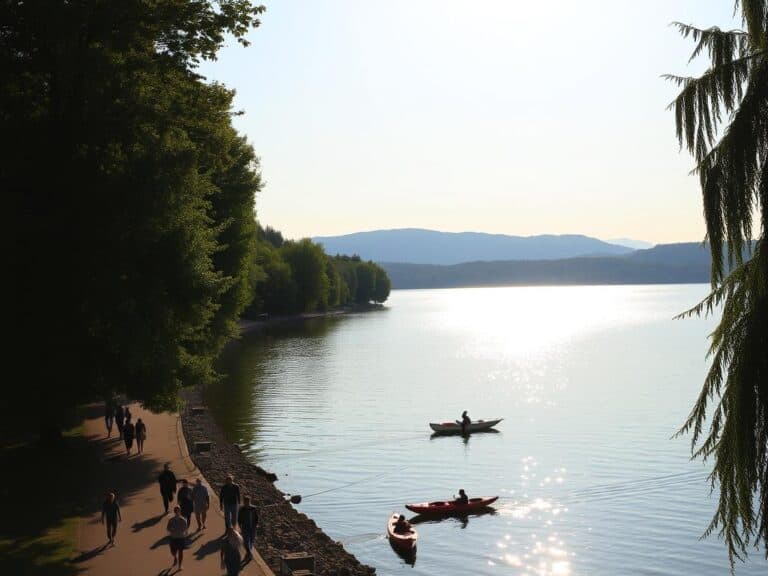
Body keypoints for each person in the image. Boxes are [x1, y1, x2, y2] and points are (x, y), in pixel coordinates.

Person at [166, 505, 188, 570]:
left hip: (181, 537)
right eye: (176, 511)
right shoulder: (171, 520)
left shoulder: (183, 520)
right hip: (173, 537)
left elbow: (185, 529)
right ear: (174, 512)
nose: (177, 512)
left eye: (178, 511)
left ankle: (180, 565)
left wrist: (184, 533)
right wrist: (171, 530)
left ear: (180, 511)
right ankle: (175, 557)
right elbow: (168, 528)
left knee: (181, 552)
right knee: (173, 551)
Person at [237, 495, 258, 561]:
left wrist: (256, 525)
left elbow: (256, 518)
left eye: (248, 502)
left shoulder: (253, 509)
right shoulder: (242, 509)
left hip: (252, 527)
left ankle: (248, 553)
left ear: (250, 501)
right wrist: (240, 526)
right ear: (244, 502)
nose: (247, 503)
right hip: (245, 527)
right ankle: (249, 554)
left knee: (251, 541)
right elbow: (239, 519)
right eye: (245, 502)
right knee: (246, 541)